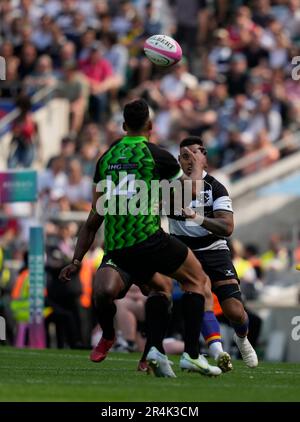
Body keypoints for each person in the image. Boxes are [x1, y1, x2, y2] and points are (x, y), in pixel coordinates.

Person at [60, 98, 221, 378]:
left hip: (118, 247)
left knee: (159, 289)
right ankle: (192, 355)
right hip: (147, 239)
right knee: (196, 280)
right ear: (150, 125)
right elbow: (187, 196)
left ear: (124, 126)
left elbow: (95, 215)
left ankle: (154, 352)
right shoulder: (156, 155)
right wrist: (194, 167)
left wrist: (76, 259)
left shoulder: (106, 158)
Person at [167, 136, 258, 368]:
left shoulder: (216, 188)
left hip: (214, 248)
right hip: (186, 252)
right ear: (179, 161)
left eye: (194, 154)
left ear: (204, 157)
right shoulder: (169, 188)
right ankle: (218, 352)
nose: (190, 160)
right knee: (202, 292)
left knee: (235, 312)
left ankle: (242, 338)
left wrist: (196, 217)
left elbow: (227, 227)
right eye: (184, 156)